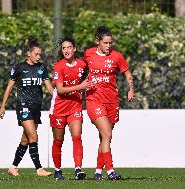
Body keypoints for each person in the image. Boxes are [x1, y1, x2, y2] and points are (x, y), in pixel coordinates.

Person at [83, 26, 135, 181]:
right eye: (105, 43)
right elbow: (78, 66)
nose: (108, 45)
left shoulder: (117, 56)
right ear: (97, 42)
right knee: (107, 134)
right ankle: (111, 171)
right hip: (94, 100)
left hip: (112, 101)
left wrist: (130, 89)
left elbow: (127, 73)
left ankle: (98, 171)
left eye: (110, 43)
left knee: (104, 138)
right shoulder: (88, 54)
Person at [0, 36, 53, 177]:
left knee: (26, 139)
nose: (39, 56)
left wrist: (59, 98)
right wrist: (2, 106)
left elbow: (49, 87)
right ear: (28, 54)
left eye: (40, 54)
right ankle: (39, 169)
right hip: (23, 106)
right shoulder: (19, 68)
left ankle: (13, 167)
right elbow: (10, 87)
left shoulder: (42, 68)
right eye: (36, 54)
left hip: (36, 107)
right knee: (33, 136)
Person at [49, 37, 92, 180]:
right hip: (59, 109)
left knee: (77, 137)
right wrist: (81, 87)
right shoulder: (58, 66)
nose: (66, 50)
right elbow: (60, 90)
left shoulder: (81, 64)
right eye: (64, 48)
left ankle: (78, 169)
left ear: (74, 49)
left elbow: (94, 68)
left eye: (69, 47)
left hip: (75, 107)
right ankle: (57, 170)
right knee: (58, 141)